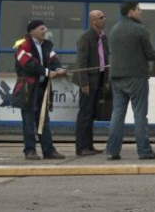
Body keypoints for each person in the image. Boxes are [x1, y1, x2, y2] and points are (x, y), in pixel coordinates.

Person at [105, 1, 155, 160]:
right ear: (130, 12)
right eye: (138, 10)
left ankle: (112, 151)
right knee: (140, 115)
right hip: (136, 77)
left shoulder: (114, 30)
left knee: (117, 114)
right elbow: (150, 55)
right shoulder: (140, 30)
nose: (141, 12)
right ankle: (144, 150)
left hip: (117, 77)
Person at [14, 19, 67, 160]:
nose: (45, 31)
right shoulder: (23, 45)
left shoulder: (47, 45)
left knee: (44, 120)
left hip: (42, 88)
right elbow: (28, 65)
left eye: (45, 28)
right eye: (42, 28)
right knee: (28, 121)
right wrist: (47, 72)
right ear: (32, 31)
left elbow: (53, 59)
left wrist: (58, 68)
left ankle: (48, 150)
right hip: (28, 88)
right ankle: (30, 150)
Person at [74, 10, 110, 156]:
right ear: (93, 21)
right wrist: (84, 83)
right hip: (88, 81)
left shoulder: (103, 37)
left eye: (104, 16)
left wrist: (106, 80)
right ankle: (81, 147)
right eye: (101, 18)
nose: (104, 19)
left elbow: (105, 60)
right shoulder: (86, 37)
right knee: (85, 114)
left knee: (93, 113)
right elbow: (81, 62)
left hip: (99, 79)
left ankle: (89, 145)